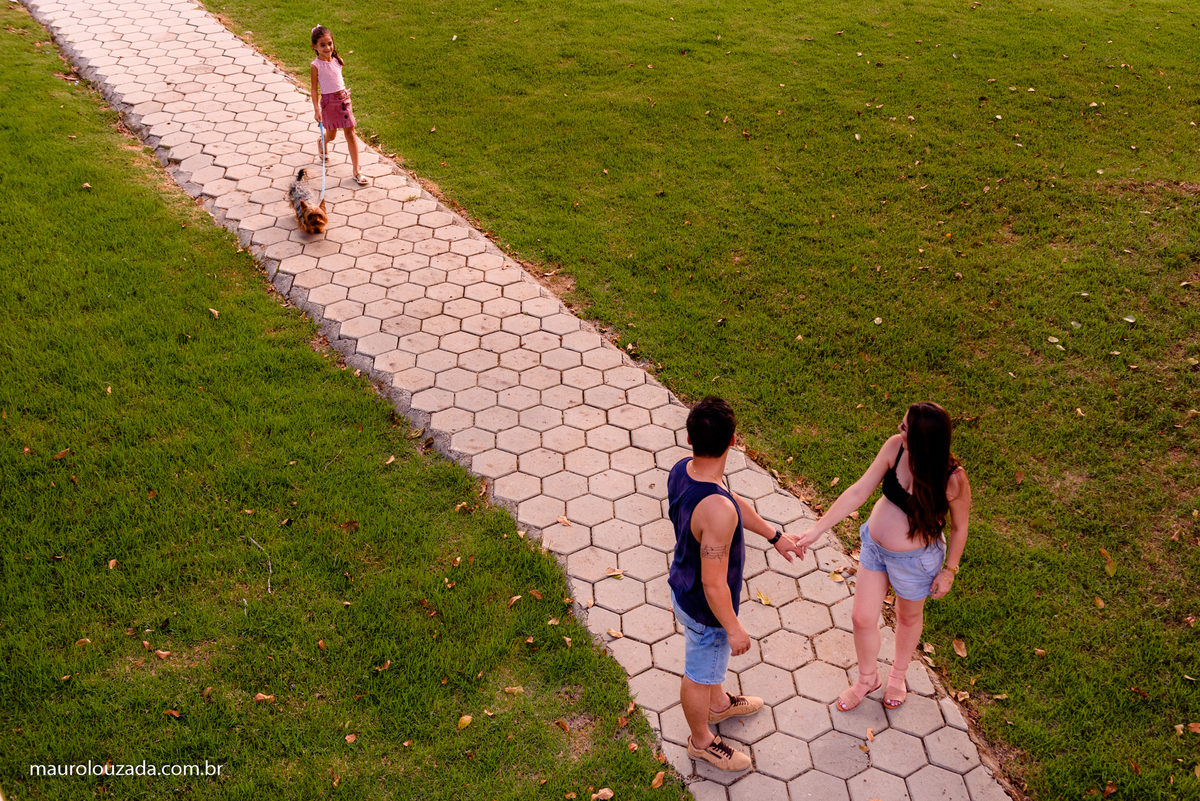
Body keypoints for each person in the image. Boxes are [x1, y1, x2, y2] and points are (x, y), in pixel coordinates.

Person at [796, 402, 971, 711]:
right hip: (875, 549)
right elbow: (859, 491)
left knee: (907, 616)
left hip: (916, 561)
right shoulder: (896, 448)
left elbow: (960, 527)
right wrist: (817, 530)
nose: (899, 431)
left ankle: (898, 676)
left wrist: (950, 570)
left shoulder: (952, 478)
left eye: (905, 428)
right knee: (861, 617)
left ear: (923, 438)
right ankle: (867, 679)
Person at [668, 396, 806, 771]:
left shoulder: (685, 470)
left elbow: (729, 501)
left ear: (689, 437)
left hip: (682, 583)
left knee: (709, 666)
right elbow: (714, 585)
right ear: (733, 441)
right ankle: (701, 741)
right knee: (699, 672)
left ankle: (718, 706)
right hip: (705, 608)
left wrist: (774, 536)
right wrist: (733, 628)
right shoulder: (716, 509)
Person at [309, 25, 368, 186]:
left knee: (350, 133)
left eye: (330, 43)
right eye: (322, 45)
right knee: (332, 135)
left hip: (343, 101)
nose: (327, 48)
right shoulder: (316, 66)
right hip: (329, 104)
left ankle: (357, 170)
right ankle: (322, 142)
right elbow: (314, 89)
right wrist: (316, 109)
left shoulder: (337, 60)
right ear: (314, 47)